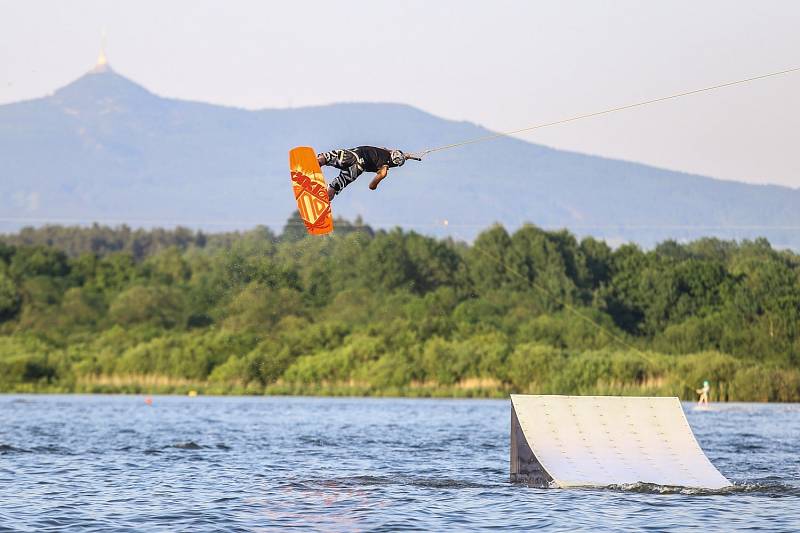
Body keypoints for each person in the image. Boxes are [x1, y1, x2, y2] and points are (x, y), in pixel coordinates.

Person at [316, 146, 422, 200]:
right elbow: (371, 186)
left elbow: (390, 151)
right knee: (335, 187)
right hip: (358, 168)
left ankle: (316, 162)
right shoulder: (384, 169)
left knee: (327, 158)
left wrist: (405, 156)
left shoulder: (384, 151)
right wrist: (380, 177)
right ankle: (325, 198)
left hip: (355, 154)